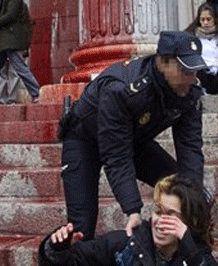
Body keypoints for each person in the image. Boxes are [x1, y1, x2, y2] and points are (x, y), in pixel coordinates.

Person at [59, 31, 207, 240]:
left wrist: (195, 202)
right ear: (162, 62)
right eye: (184, 70)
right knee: (81, 226)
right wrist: (133, 210)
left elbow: (190, 148)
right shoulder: (122, 90)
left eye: (194, 71)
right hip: (84, 140)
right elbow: (117, 156)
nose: (191, 78)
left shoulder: (189, 91)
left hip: (134, 140)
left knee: (183, 188)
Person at [38, 174, 217, 266]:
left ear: (189, 222)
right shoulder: (125, 245)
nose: (160, 221)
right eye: (158, 211)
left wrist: (190, 249)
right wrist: (56, 248)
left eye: (171, 215)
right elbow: (73, 261)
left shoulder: (198, 257)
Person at [184, 3, 218, 113]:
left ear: (215, 19)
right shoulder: (191, 36)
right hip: (202, 77)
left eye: (208, 19)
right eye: (202, 19)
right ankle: (196, 100)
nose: (205, 23)